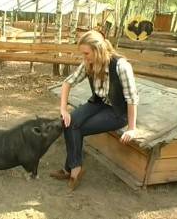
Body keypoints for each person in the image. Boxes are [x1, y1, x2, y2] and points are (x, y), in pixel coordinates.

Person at [50, 30, 139, 191]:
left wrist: (132, 129)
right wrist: (63, 109)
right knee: (68, 122)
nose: (84, 58)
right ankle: (74, 168)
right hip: (99, 102)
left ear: (98, 50)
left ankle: (71, 170)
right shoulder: (88, 63)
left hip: (117, 111)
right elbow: (67, 82)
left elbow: (132, 99)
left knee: (77, 128)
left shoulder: (121, 66)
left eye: (86, 53)